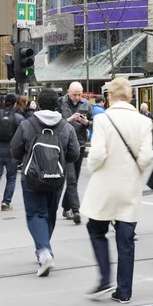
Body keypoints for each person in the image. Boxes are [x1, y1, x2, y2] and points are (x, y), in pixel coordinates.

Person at [82, 78, 153, 303]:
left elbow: (98, 154)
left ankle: (105, 277)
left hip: (105, 186)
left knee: (96, 229)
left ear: (110, 97)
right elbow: (147, 156)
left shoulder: (103, 119)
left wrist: (92, 168)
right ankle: (124, 292)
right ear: (131, 97)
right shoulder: (144, 122)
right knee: (126, 239)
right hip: (129, 187)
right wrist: (135, 172)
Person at [10, 89, 80, 277]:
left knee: (35, 214)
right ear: (57, 104)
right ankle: (44, 248)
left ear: (38, 104)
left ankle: (44, 251)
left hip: (31, 178)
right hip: (56, 178)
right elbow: (74, 154)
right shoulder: (66, 127)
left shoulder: (27, 124)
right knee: (49, 214)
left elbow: (15, 150)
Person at [57, 81, 93, 224]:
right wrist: (69, 120)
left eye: (79, 94)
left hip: (80, 144)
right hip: (65, 145)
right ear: (68, 92)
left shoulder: (86, 104)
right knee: (71, 178)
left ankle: (66, 207)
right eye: (74, 94)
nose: (77, 97)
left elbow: (93, 123)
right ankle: (76, 210)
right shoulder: (61, 102)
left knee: (75, 179)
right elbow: (55, 122)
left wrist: (85, 123)